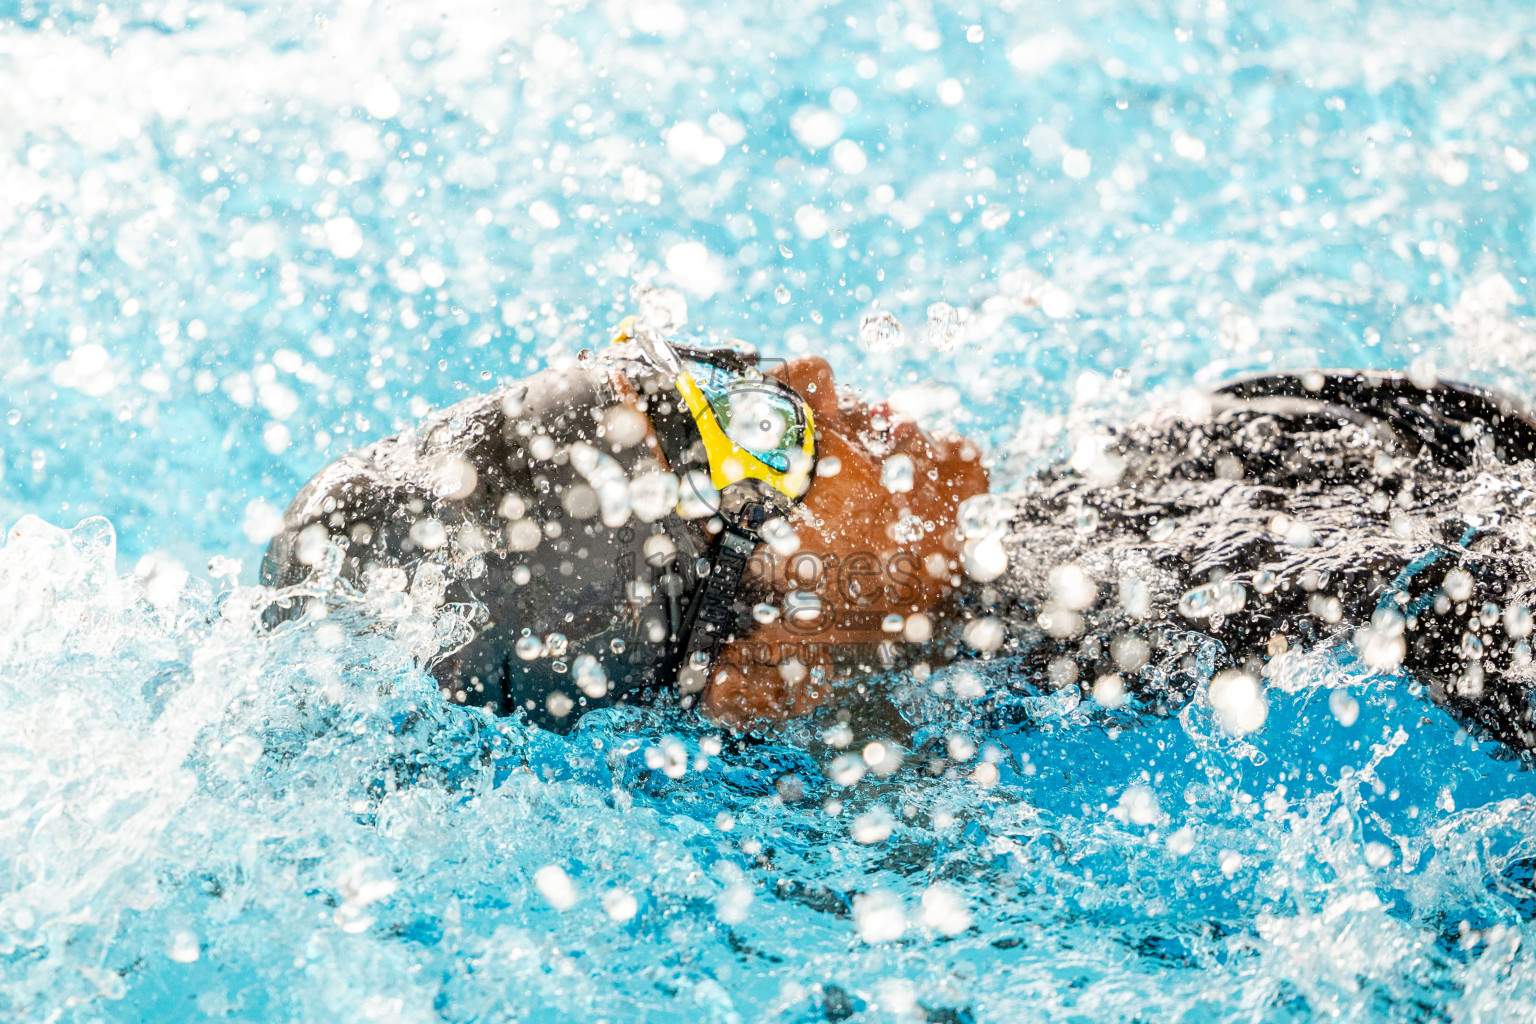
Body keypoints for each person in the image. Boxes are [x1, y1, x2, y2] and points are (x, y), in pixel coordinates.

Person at [261, 322, 1536, 756]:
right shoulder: (1206, 644)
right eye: (760, 430)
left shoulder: (1120, 490)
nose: (810, 375)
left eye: (726, 361)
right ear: (765, 669)